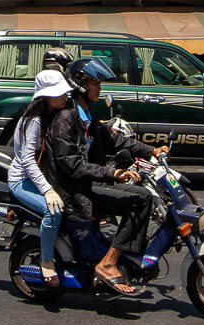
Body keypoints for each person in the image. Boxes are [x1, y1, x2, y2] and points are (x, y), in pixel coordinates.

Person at [42, 57, 168, 296]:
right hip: (75, 190)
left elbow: (116, 139)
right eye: (95, 83)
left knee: (143, 196)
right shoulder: (66, 117)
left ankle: (128, 259)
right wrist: (113, 173)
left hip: (89, 182)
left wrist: (151, 150)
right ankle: (108, 263)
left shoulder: (86, 114)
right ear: (80, 84)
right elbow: (71, 165)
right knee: (139, 199)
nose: (99, 88)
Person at [8, 70, 72, 287]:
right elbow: (27, 161)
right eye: (59, 93)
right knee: (53, 210)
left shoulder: (53, 114)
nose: (64, 96)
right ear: (45, 96)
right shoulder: (34, 120)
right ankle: (46, 260)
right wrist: (47, 190)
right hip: (22, 180)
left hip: (42, 177)